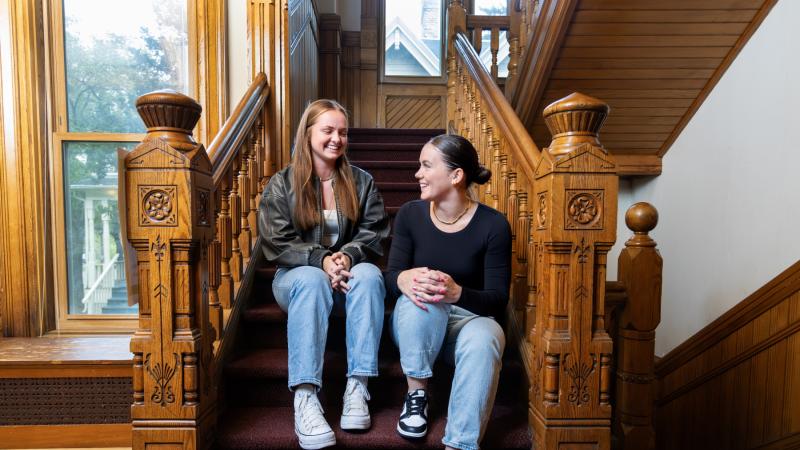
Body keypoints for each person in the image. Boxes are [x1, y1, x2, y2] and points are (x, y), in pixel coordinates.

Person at [259, 99, 390, 450]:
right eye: (328, 130)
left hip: (347, 277)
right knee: (312, 278)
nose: (337, 139)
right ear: (308, 133)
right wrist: (321, 260)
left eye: (342, 132)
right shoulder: (281, 183)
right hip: (297, 280)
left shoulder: (362, 181)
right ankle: (305, 396)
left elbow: (374, 232)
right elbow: (277, 243)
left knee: (371, 276)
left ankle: (357, 387)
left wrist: (346, 256)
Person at [384, 134, 511, 450]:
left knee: (486, 338)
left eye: (426, 165)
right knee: (423, 294)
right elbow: (388, 280)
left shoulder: (493, 225)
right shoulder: (410, 215)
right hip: (416, 326)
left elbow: (497, 299)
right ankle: (417, 394)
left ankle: (461, 442)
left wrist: (457, 293)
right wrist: (404, 279)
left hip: (467, 323)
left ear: (456, 176)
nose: (418, 174)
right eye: (419, 165)